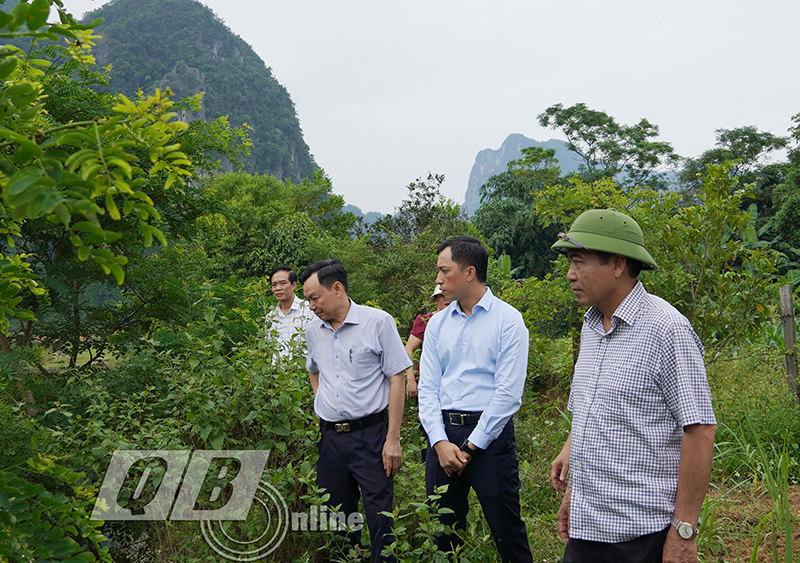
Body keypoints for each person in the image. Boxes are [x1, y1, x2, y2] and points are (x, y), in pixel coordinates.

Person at [548, 209, 717, 563]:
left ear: (617, 264)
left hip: (640, 535)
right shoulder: (592, 326)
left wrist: (683, 530)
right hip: (588, 526)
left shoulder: (667, 330)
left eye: (578, 262)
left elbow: (700, 429)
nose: (570, 274)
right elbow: (593, 409)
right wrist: (573, 494)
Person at [418, 235, 533, 563]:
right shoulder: (438, 323)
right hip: (443, 437)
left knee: (507, 530)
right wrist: (439, 442)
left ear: (470, 272)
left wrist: (471, 447)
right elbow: (427, 388)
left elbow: (508, 394)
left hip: (490, 439)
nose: (438, 279)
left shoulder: (508, 321)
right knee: (443, 532)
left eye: (444, 271)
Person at [300, 259, 412, 563]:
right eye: (307, 299)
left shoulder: (378, 322)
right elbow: (313, 370)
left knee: (380, 520)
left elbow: (397, 377)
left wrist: (393, 439)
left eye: (314, 298)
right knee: (337, 518)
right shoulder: (313, 330)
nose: (310, 306)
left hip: (371, 437)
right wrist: (321, 401)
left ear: (337, 288)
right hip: (331, 440)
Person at [404, 285, 450, 399]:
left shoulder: (461, 320)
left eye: (448, 295)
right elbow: (408, 349)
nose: (446, 299)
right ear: (435, 299)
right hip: (427, 382)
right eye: (442, 296)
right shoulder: (425, 321)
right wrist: (411, 379)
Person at [265, 266, 313, 357]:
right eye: (274, 285)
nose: (278, 288)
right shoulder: (270, 317)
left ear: (293, 285)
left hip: (302, 370)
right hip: (276, 370)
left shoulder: (309, 310)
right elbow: (269, 348)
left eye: (282, 283)